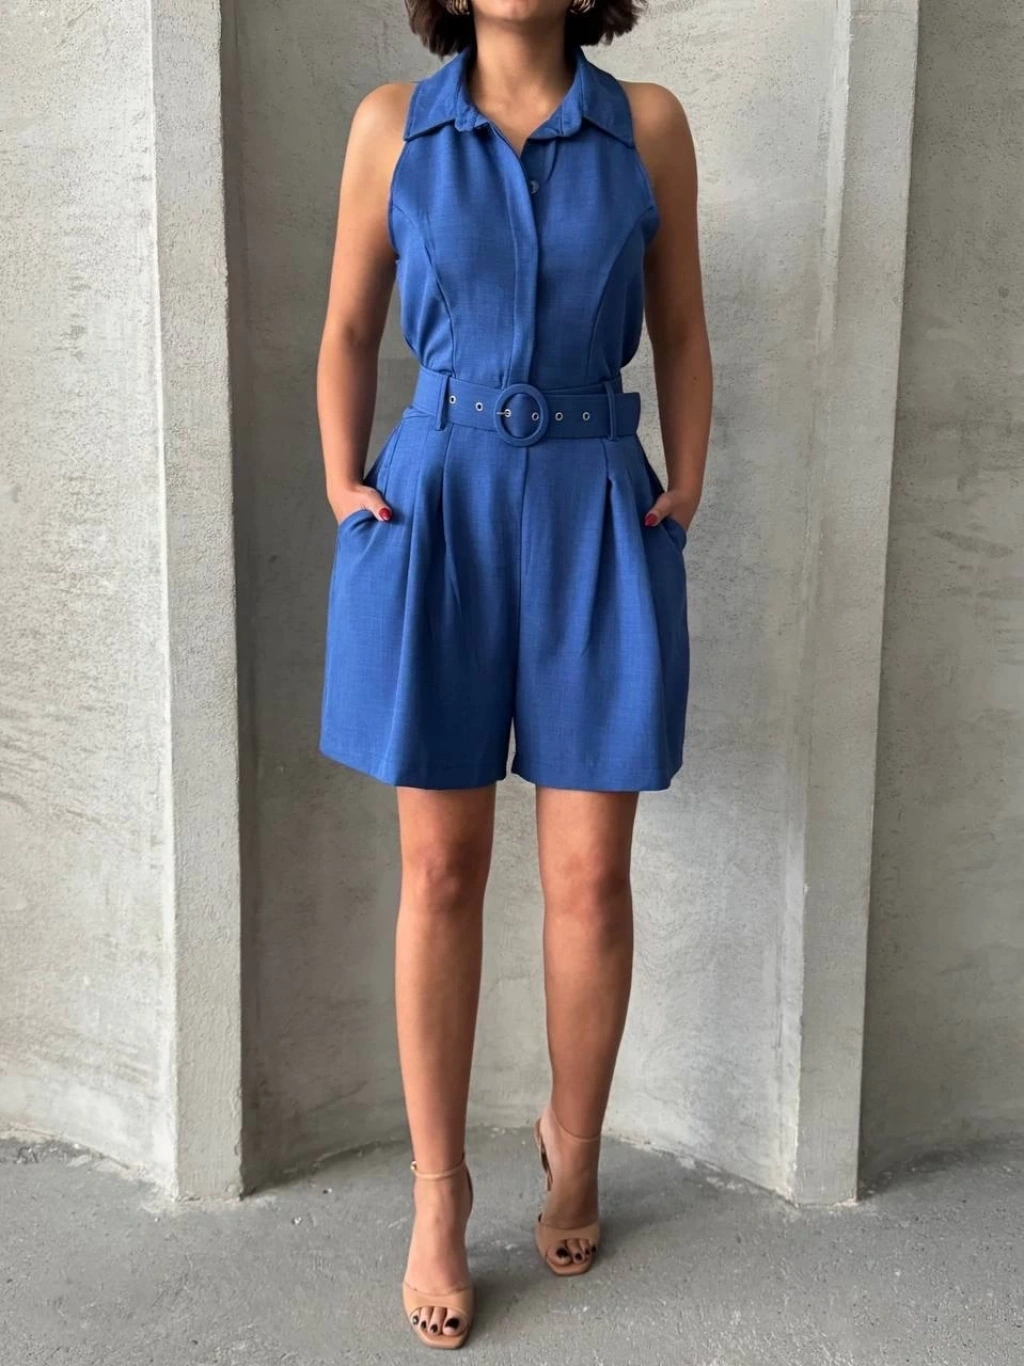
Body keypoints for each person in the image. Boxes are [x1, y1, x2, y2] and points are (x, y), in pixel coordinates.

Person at [316, 0, 711, 1348]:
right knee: (441, 869)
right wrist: (344, 484)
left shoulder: (647, 126)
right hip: (438, 510)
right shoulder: (393, 126)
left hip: (597, 503)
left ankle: (573, 1141)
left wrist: (687, 485)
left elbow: (682, 327)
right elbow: (350, 328)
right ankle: (440, 1194)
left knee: (591, 875)